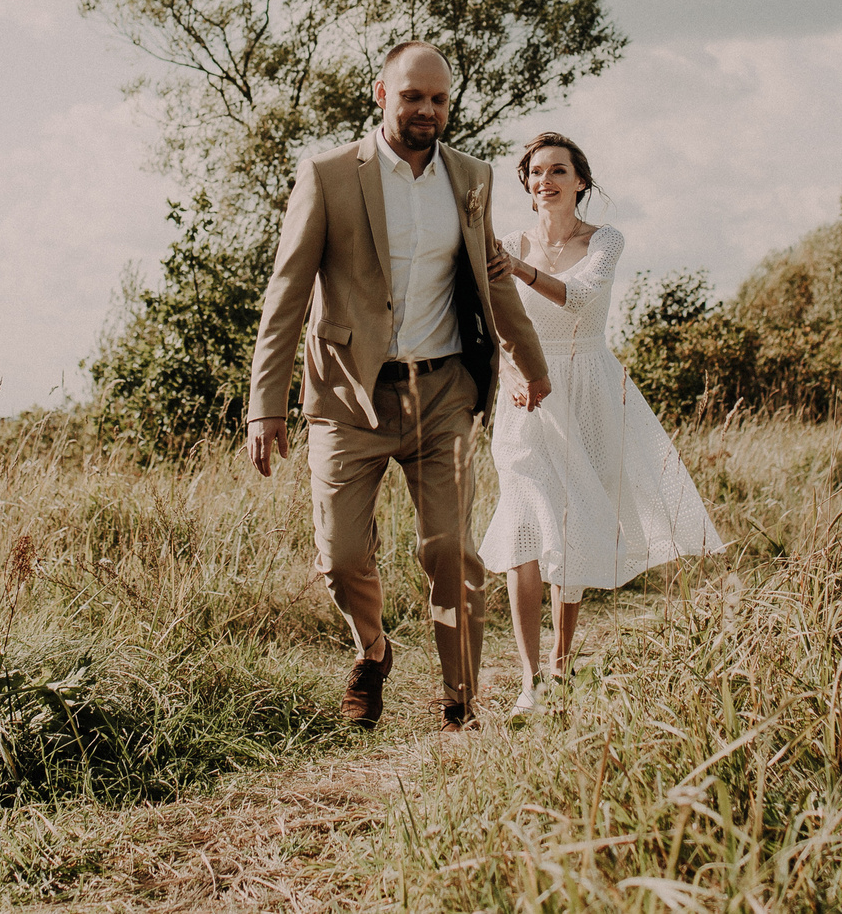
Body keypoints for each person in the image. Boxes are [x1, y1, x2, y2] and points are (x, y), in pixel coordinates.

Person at [246, 42, 553, 731]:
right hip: (347, 398)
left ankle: (461, 702)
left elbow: (491, 274)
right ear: (381, 94)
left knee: (451, 547)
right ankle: (374, 650)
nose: (427, 110)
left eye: (439, 99)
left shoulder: (472, 177)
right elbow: (287, 291)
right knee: (341, 554)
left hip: (442, 390)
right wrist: (264, 403)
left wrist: (531, 362)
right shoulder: (328, 175)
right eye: (413, 95)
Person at [481, 132, 725, 714]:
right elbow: (488, 312)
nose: (546, 180)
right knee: (524, 524)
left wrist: (517, 267)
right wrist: (510, 368)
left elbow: (583, 301)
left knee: (574, 520)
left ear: (580, 182)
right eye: (536, 172)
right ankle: (528, 680)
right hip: (523, 395)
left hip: (589, 388)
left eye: (558, 170)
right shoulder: (506, 242)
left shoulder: (604, 240)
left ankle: (562, 663)